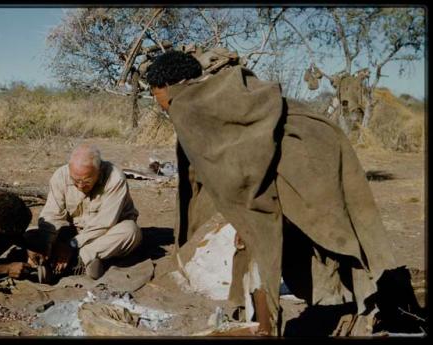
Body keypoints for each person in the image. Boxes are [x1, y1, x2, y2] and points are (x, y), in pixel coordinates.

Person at [146, 50, 420, 336]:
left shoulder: (187, 105)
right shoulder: (229, 87)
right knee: (351, 235)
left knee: (284, 239)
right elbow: (250, 149)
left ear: (167, 86)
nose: (162, 106)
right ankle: (385, 308)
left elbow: (236, 174)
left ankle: (273, 327)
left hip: (300, 166)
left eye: (157, 97)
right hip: (320, 143)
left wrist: (246, 217)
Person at [27, 143, 141, 280]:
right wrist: (46, 244)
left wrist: (71, 245)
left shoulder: (115, 179)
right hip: (72, 231)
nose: (80, 186)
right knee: (31, 234)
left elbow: (104, 224)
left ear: (98, 172)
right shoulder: (60, 176)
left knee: (131, 232)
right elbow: (52, 214)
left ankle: (80, 260)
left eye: (86, 181)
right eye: (75, 181)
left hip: (105, 233)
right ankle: (53, 259)